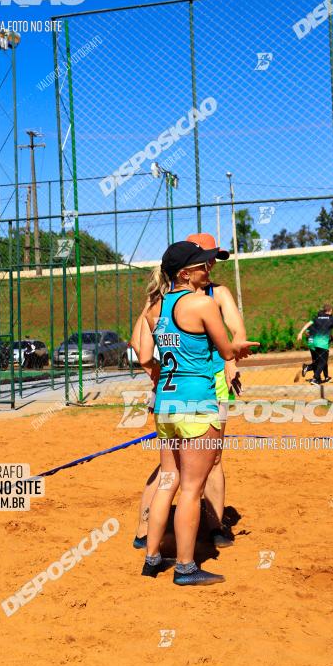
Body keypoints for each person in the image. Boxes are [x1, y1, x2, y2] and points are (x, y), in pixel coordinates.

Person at [138, 240, 258, 586]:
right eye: (203, 266)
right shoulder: (203, 304)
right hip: (196, 403)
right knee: (191, 488)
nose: (209, 270)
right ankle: (186, 567)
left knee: (167, 480)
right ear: (184, 273)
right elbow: (225, 349)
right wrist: (241, 349)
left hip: (166, 403)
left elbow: (148, 355)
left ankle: (152, 557)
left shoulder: (155, 308)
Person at [297, 304, 333, 385]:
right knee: (323, 362)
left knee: (318, 361)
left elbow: (307, 325)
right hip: (323, 344)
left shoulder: (316, 318)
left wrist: (300, 333)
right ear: (330, 311)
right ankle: (315, 378)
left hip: (313, 343)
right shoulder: (332, 319)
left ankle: (319, 375)